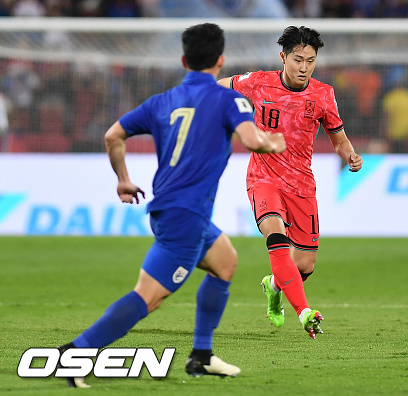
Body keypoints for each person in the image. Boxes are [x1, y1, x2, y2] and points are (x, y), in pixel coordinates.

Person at [56, 23, 285, 388]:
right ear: (221, 61)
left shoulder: (161, 101)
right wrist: (273, 142)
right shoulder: (229, 99)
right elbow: (251, 140)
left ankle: (201, 356)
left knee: (225, 262)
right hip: (187, 217)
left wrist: (122, 178)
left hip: (170, 208)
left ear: (184, 60)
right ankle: (76, 353)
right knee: (148, 298)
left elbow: (112, 135)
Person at [218, 25, 363, 339]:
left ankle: (274, 285)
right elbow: (219, 86)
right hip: (263, 178)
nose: (304, 67)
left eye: (310, 60)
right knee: (276, 236)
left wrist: (349, 155)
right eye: (298, 59)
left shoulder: (323, 94)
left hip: (301, 184)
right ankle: (304, 311)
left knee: (305, 265)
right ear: (283, 57)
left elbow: (339, 140)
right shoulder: (256, 83)